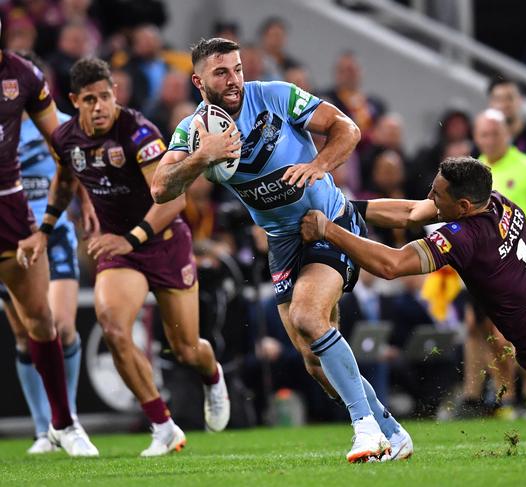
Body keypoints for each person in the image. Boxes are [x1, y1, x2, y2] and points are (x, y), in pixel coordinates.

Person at [150, 37, 412, 463]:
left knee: (309, 317)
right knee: (312, 360)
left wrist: (317, 166)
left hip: (327, 224)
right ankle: (391, 430)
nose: (234, 79)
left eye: (236, 68)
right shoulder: (193, 131)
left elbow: (348, 128)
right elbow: (161, 188)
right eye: (221, 72)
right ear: (198, 80)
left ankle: (366, 431)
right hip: (283, 241)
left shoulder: (275, 95)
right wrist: (203, 157)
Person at [300, 157, 526, 413]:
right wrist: (346, 208)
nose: (430, 198)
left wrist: (329, 230)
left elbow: (391, 265)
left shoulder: (463, 237)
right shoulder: (498, 200)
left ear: (463, 206)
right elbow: (410, 213)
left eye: (437, 194)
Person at [18, 57, 230, 457]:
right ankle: (163, 425)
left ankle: (212, 374)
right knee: (113, 326)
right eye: (90, 100)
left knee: (185, 348)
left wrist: (130, 239)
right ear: (74, 101)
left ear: (115, 92)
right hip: (122, 251)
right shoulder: (65, 139)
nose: (100, 107)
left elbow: (172, 200)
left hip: (163, 241)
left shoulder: (138, 132)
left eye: (106, 96)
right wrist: (44, 229)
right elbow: (64, 183)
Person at [0, 26, 98, 456]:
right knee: (26, 333)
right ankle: (48, 427)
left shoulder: (21, 78)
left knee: (46, 322)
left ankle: (64, 423)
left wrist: (88, 196)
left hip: (24, 219)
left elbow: (65, 147)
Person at [469, 108, 526, 417]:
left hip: (522, 264)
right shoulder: (473, 170)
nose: (490, 140)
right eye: (484, 134)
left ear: (507, 134)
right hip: (484, 270)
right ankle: (505, 393)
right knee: (491, 335)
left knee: (523, 332)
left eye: (495, 133)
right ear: (476, 137)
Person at [487, 76, 526, 157]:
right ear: (490, 103)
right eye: (498, 99)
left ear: (521, 100)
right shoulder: (483, 139)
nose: (504, 104)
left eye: (510, 98)